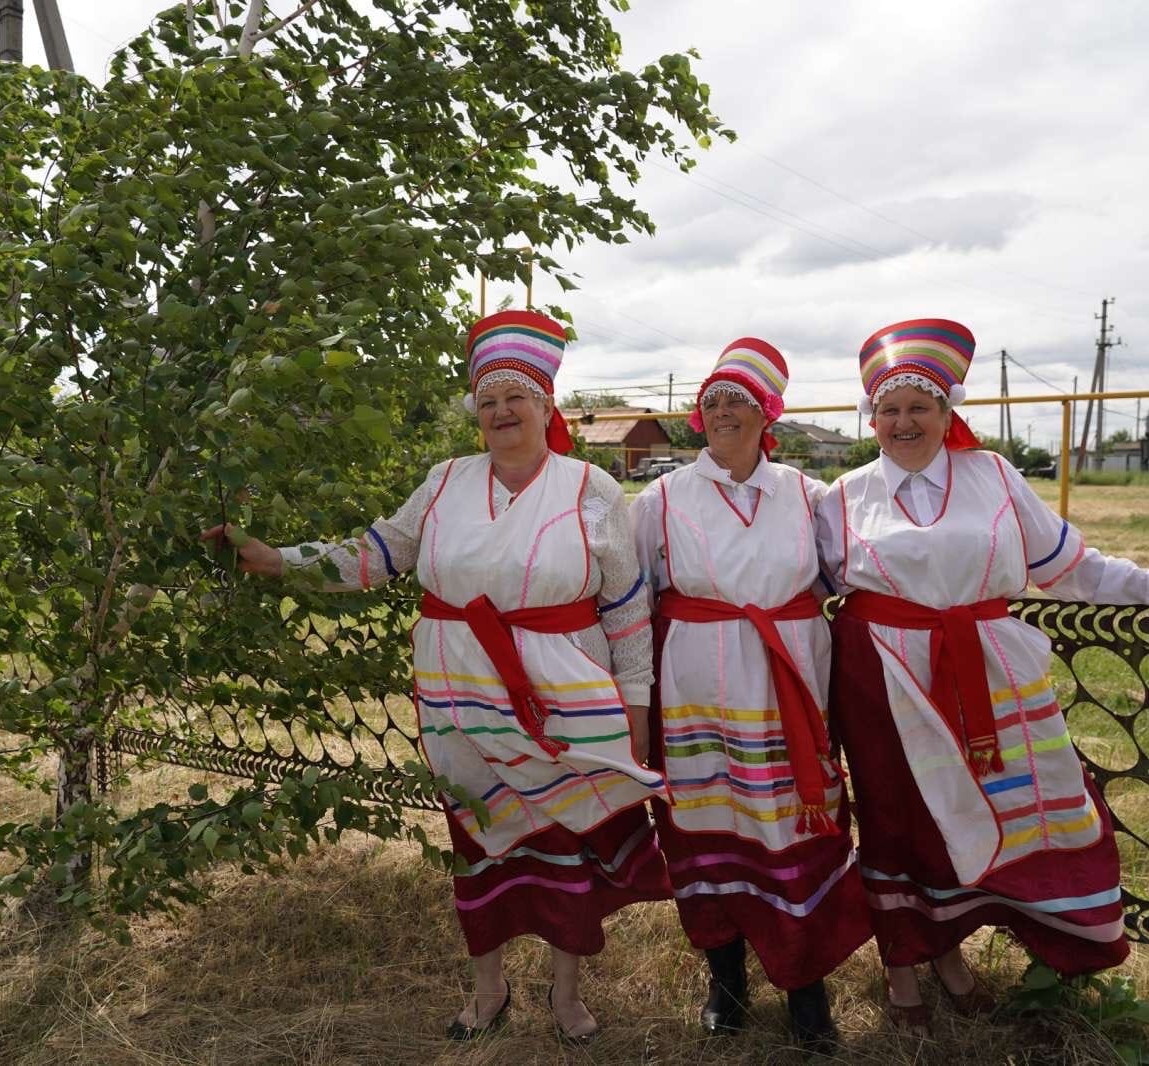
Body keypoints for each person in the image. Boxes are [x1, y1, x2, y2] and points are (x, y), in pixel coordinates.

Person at [201, 309, 670, 1045]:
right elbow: (377, 553)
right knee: (476, 835)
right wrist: (276, 559)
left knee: (565, 840)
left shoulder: (593, 490)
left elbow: (626, 609)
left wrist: (635, 712)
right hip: (460, 697)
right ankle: (487, 990)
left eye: (517, 397)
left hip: (567, 699)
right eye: (487, 400)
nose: (501, 411)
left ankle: (566, 993)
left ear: (547, 406)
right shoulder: (445, 481)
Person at [817, 318, 1149, 1034]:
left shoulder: (994, 476)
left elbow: (1071, 566)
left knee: (991, 807)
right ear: (870, 419)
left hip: (983, 670)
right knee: (894, 815)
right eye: (889, 409)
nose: (903, 421)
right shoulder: (841, 496)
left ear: (949, 414)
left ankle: (951, 950)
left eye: (920, 406)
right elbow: (797, 589)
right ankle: (904, 966)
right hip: (879, 675)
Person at [632, 338, 870, 1052]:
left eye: (737, 399)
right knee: (706, 834)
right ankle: (725, 980)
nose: (722, 410)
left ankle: (806, 988)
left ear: (768, 413)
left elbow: (855, 579)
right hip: (693, 697)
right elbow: (631, 603)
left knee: (794, 829)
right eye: (711, 400)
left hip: (784, 697)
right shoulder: (662, 499)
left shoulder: (808, 495)